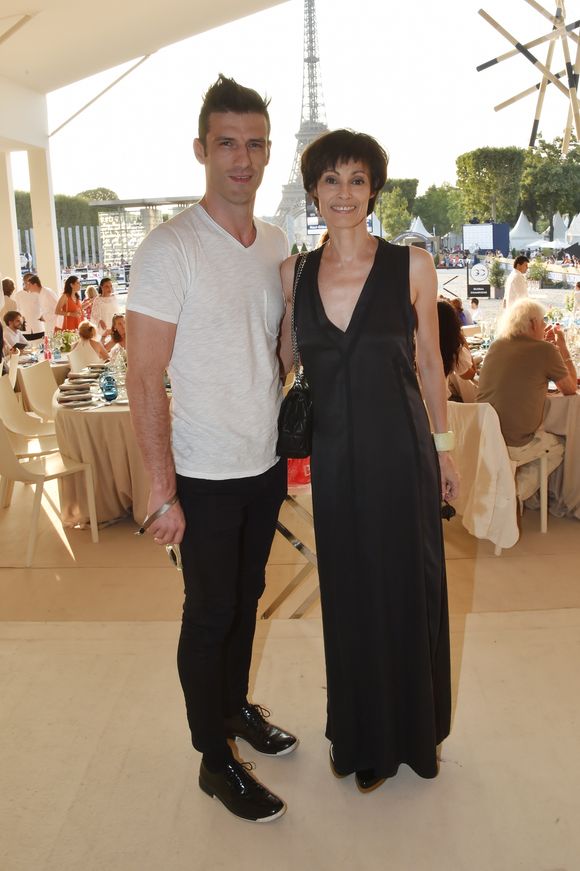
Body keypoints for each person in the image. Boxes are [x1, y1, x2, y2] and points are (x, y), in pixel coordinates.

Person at [126, 74, 295, 824]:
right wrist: (161, 490)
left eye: (255, 144)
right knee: (211, 613)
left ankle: (233, 708)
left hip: (263, 462)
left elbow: (280, 351)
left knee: (249, 598)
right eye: (228, 143)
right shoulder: (171, 248)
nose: (243, 159)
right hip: (200, 470)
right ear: (202, 149)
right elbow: (144, 373)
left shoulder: (279, 244)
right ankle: (212, 755)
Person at [280, 129, 458, 792]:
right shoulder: (293, 273)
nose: (344, 193)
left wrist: (444, 451)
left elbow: (433, 365)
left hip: (402, 452)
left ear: (374, 189)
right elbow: (283, 361)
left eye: (357, 180)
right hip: (334, 458)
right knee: (351, 594)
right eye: (331, 180)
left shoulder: (411, 266)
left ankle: (415, 735)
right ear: (313, 193)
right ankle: (356, 734)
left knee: (409, 588)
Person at [477, 298, 576, 473]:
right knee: (560, 445)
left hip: (485, 436)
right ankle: (516, 494)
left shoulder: (496, 345)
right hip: (516, 442)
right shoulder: (545, 349)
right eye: (543, 321)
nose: (545, 326)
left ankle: (508, 490)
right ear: (532, 323)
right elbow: (570, 389)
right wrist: (562, 347)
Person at [437, 299, 478, 402]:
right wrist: (462, 339)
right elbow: (471, 374)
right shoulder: (450, 349)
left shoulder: (416, 343)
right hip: (438, 405)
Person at [13, 275, 45, 340]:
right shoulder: (18, 295)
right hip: (25, 330)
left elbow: (44, 308)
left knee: (42, 347)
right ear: (24, 282)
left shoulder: (38, 293)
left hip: (39, 327)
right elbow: (17, 311)